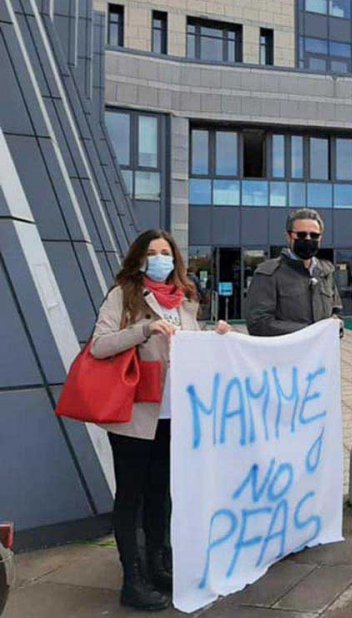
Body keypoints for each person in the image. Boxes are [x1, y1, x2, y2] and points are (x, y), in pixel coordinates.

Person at [91, 230, 231, 611]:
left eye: (165, 252)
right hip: (136, 415)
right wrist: (144, 329)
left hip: (174, 415)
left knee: (160, 493)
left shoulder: (185, 299)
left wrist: (219, 338)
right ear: (139, 258)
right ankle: (132, 578)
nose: (159, 258)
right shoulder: (123, 295)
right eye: (152, 252)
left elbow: (193, 348)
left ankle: (158, 563)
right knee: (131, 496)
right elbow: (99, 345)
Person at [246, 208, 343, 337]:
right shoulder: (268, 273)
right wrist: (310, 332)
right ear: (289, 236)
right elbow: (258, 324)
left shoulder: (326, 271)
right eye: (301, 235)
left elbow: (337, 312)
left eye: (314, 235)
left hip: (321, 354)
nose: (308, 239)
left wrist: (337, 325)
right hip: (286, 354)